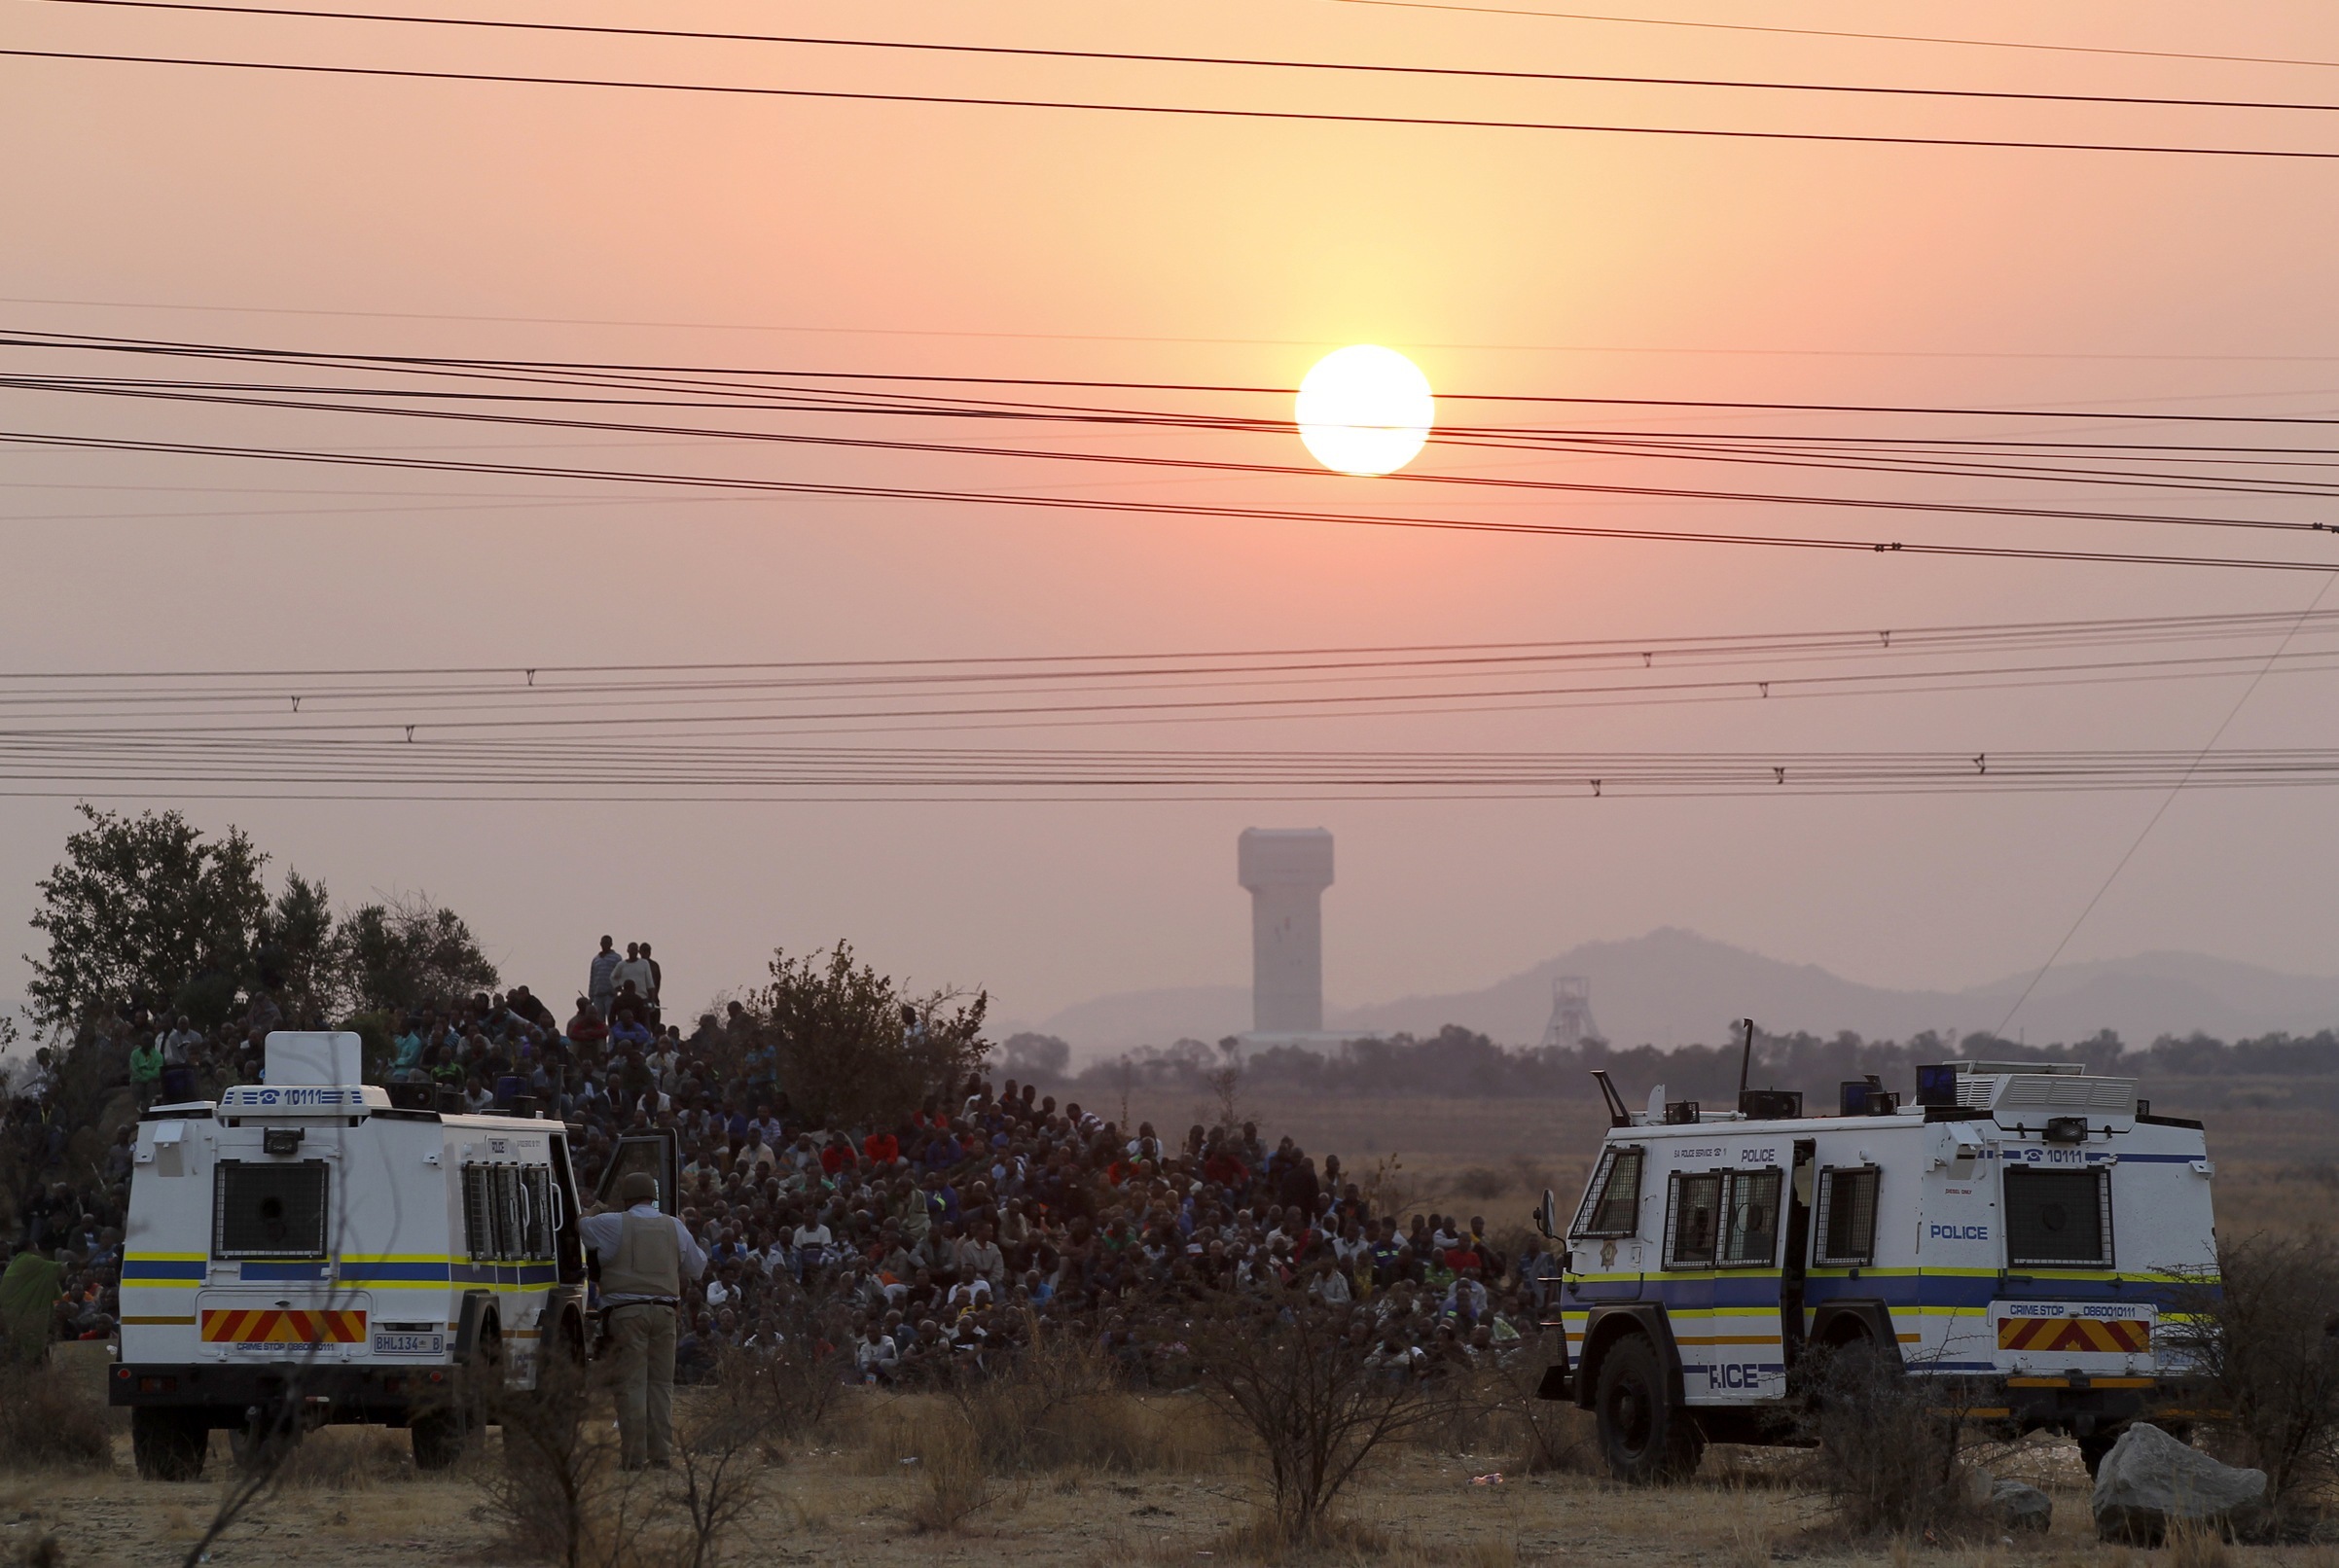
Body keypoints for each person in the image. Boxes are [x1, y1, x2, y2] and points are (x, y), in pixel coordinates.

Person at [579, 1170, 707, 1469]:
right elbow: (697, 1267)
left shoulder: (613, 1223)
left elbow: (581, 1226)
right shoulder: (673, 1225)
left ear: (626, 1197)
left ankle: (634, 1458)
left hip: (627, 1315)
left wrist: (596, 1207)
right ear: (653, 1196)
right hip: (665, 1314)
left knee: (632, 1385)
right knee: (661, 1386)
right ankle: (661, 1455)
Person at [0, 1242, 63, 1365]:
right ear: (31, 1248)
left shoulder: (13, 1265)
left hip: (13, 1321)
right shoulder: (31, 1260)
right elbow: (58, 1268)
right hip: (28, 1321)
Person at [589, 936, 622, 1018]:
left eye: (607, 943)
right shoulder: (596, 959)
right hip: (597, 995)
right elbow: (592, 977)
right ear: (600, 944)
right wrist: (591, 995)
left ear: (611, 944)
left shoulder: (616, 958)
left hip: (610, 995)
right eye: (603, 943)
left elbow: (620, 976)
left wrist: (617, 990)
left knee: (612, 1018)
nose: (605, 945)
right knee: (599, 1021)